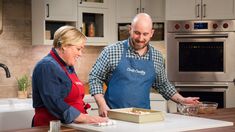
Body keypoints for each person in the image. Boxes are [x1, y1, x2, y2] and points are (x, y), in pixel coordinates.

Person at [89, 13, 200, 117]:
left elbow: (163, 85)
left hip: (143, 117)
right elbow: (95, 77)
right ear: (130, 30)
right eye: (137, 33)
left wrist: (182, 100)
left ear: (151, 33)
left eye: (145, 34)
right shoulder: (111, 51)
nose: (141, 38)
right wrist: (101, 104)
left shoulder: (157, 56)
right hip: (113, 116)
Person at [32, 25, 107, 127]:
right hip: (51, 127)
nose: (80, 54)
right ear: (64, 46)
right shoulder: (46, 66)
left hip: (70, 126)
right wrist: (85, 118)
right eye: (78, 49)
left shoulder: (67, 65)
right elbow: (54, 103)